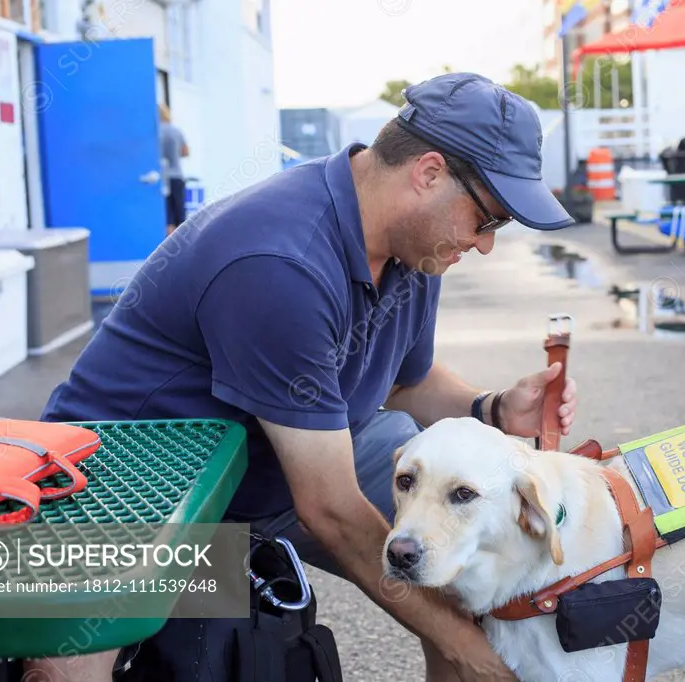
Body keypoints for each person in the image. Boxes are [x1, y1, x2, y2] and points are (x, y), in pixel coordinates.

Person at [29, 72, 578, 682]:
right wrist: (461, 645)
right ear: (428, 173)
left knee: (464, 576)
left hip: (277, 461)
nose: (483, 246)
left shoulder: (414, 249)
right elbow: (331, 508)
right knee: (69, 663)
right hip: (137, 477)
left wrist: (495, 407)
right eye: (489, 221)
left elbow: (404, 384)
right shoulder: (280, 262)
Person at [159, 103, 190, 235]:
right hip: (176, 176)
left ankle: (167, 245)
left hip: (162, 178)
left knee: (168, 216)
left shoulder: (155, 133)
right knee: (179, 213)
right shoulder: (176, 131)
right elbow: (185, 152)